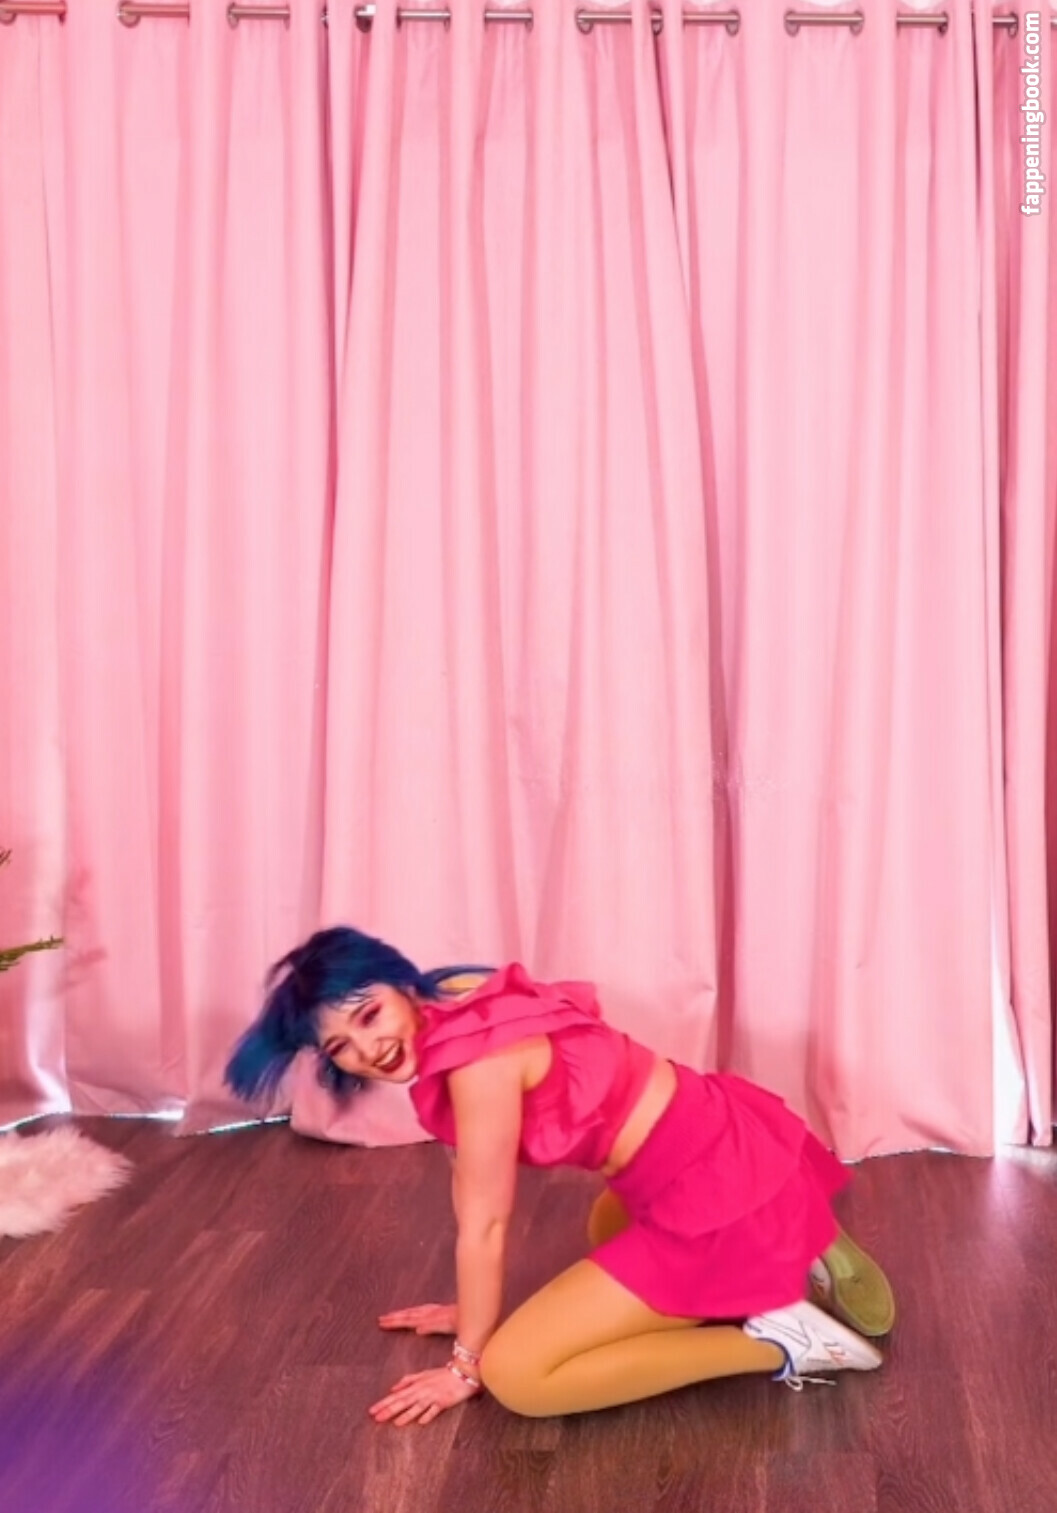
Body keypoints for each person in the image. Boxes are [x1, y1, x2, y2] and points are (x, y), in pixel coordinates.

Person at [225, 926, 895, 1424]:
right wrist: (472, 1313)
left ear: (398, 983)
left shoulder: (476, 1065)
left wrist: (467, 1363)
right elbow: (468, 1187)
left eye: (369, 1015)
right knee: (606, 1226)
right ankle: (787, 1247)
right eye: (340, 1046)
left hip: (718, 1196)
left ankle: (783, 1341)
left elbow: (486, 1224)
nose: (368, 1049)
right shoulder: (463, 998)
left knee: (518, 1375)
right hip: (719, 1141)